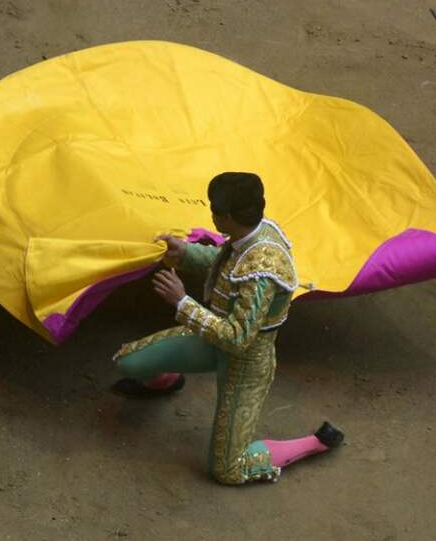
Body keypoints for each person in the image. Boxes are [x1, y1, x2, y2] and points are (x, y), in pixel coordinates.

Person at [111, 172, 343, 484]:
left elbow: (237, 339)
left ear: (228, 217)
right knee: (128, 362)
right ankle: (165, 382)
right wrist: (188, 253)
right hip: (212, 341)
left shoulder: (262, 271)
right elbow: (231, 264)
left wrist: (183, 303)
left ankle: (316, 442)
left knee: (228, 469)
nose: (210, 214)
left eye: (214, 210)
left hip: (245, 362)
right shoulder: (255, 233)